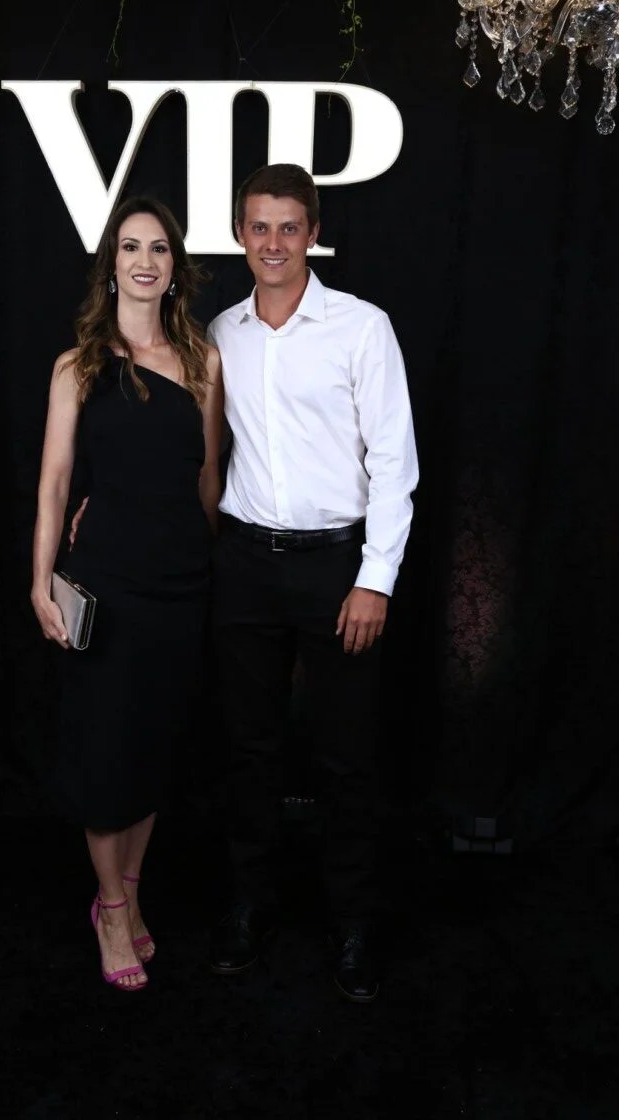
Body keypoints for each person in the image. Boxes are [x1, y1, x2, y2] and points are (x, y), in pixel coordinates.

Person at [205, 163, 419, 1002]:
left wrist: (376, 580)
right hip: (246, 565)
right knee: (248, 749)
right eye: (259, 227)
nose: (273, 243)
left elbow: (394, 461)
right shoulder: (221, 332)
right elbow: (195, 450)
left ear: (314, 234)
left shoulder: (362, 328)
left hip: (338, 567)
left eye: (288, 227)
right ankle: (250, 905)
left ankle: (354, 922)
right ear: (240, 234)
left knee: (346, 755)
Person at [31, 195, 224, 993]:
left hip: (181, 586)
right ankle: (110, 909)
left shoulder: (204, 361)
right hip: (107, 585)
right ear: (111, 264)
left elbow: (208, 483)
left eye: (159, 249)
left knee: (152, 749)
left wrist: (203, 562)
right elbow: (54, 483)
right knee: (107, 754)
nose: (145, 261)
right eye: (131, 247)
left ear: (175, 268)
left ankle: (132, 892)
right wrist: (40, 581)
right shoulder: (76, 366)